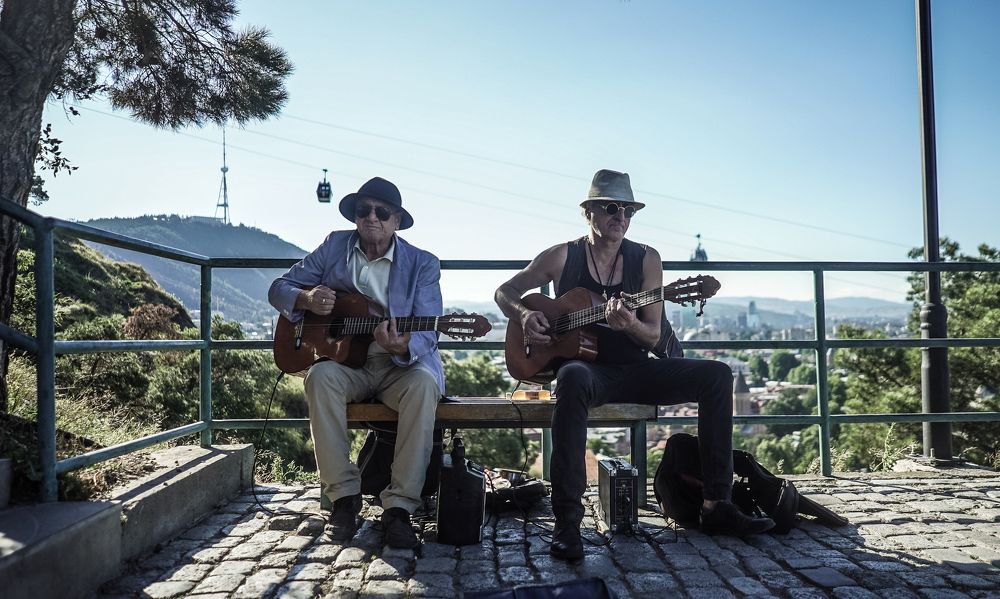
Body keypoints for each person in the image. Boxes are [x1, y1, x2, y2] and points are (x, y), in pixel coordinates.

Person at [494, 169, 775, 560]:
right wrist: (525, 316)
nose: (620, 217)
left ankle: (717, 505)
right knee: (571, 375)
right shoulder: (563, 256)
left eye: (628, 210)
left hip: (637, 370)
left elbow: (653, 334)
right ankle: (567, 522)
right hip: (590, 372)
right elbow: (504, 292)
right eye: (611, 208)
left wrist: (629, 326)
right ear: (588, 211)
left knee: (717, 375)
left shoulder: (646, 260)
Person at [269, 176, 443, 549]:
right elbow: (279, 288)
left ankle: (399, 508)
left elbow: (429, 335)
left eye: (382, 212)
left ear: (397, 220)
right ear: (355, 217)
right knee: (319, 378)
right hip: (349, 364)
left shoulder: (423, 264)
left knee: (425, 385)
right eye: (364, 210)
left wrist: (399, 345)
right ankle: (344, 500)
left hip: (399, 364)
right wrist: (307, 299)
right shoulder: (334, 245)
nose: (372, 217)